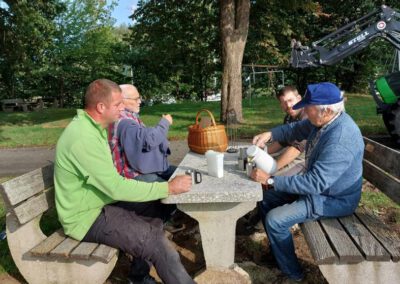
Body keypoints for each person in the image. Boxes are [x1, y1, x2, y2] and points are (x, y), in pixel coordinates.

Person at [54, 79, 195, 284]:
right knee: (156, 243)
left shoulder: (94, 127)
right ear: (101, 107)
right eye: (118, 104)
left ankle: (138, 277)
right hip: (85, 217)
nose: (123, 108)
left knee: (154, 208)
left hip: (100, 203)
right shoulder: (82, 137)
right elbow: (115, 187)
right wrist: (168, 188)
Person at [251, 82, 364, 282]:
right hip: (321, 189)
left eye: (308, 107)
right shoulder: (321, 121)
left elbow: (315, 183)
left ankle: (293, 274)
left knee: (275, 220)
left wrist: (270, 179)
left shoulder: (340, 138)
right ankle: (280, 253)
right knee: (267, 198)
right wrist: (270, 134)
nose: (302, 110)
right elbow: (294, 129)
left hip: (333, 199)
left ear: (326, 110)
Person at [109, 84, 175, 183]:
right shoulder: (124, 121)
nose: (139, 101)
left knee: (182, 174)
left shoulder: (129, 115)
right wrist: (165, 123)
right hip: (133, 174)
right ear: (122, 100)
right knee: (176, 187)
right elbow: (149, 140)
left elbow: (143, 135)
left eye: (139, 98)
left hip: (144, 167)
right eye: (136, 99)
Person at [268, 86, 307, 176]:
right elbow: (282, 142)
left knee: (270, 174)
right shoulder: (288, 118)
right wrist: (262, 152)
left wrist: (272, 170)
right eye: (284, 102)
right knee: (261, 164)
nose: (288, 105)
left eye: (290, 100)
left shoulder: (307, 117)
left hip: (307, 158)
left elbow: (296, 150)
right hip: (293, 153)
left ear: (299, 99)